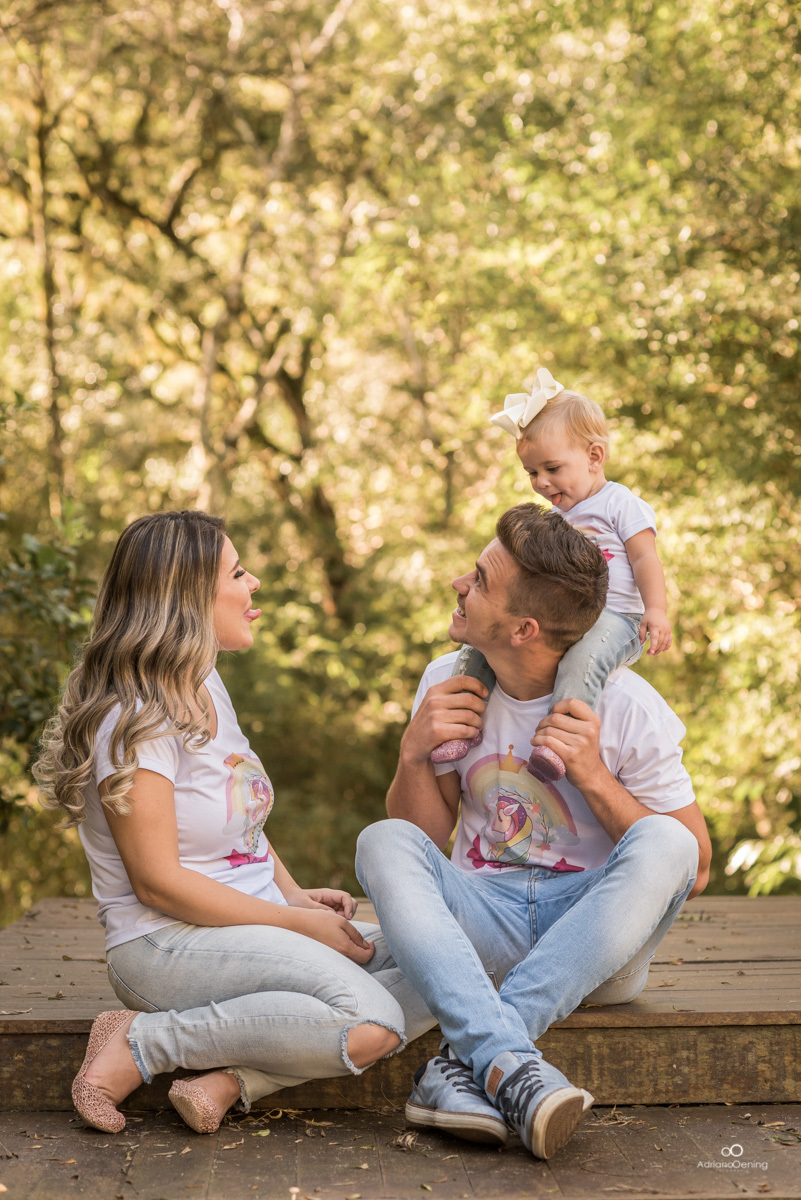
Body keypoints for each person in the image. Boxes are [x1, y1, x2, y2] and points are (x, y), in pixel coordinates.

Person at [35, 511, 434, 1135]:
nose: (254, 585)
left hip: (250, 925)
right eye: (237, 572)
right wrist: (295, 923)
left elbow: (241, 819)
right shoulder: (134, 718)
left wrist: (293, 895)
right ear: (185, 596)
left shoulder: (204, 682)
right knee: (369, 1023)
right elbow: (158, 883)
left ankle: (232, 1080)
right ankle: (143, 1042)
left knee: (442, 964)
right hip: (164, 945)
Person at [356, 502, 711, 1161]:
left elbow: (696, 867)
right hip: (480, 925)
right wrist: (413, 754)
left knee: (671, 841)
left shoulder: (627, 705)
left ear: (524, 629)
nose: (459, 584)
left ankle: (469, 1059)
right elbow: (421, 836)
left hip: (593, 947)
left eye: (479, 580)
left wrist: (593, 776)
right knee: (382, 841)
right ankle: (503, 1065)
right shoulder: (446, 683)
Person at [449, 367, 670, 784]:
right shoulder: (556, 519)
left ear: (594, 457)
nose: (541, 482)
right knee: (484, 641)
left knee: (584, 659)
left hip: (617, 618)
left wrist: (655, 611)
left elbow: (645, 558)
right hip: (565, 617)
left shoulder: (620, 504)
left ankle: (559, 741)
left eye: (552, 468)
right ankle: (460, 723)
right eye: (532, 472)